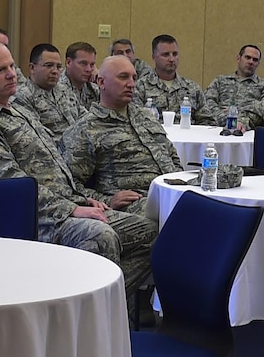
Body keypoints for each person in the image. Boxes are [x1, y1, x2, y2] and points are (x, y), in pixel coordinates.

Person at [0, 40, 149, 290]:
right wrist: (70, 210)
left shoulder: (17, 111)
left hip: (64, 205)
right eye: (0, 70)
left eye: (11, 66)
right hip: (33, 220)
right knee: (99, 235)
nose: (11, 74)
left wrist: (85, 198)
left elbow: (56, 170)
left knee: (151, 231)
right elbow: (11, 188)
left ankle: (97, 305)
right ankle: (81, 311)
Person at [58, 55, 176, 276]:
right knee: (180, 225)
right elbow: (69, 185)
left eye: (133, 77)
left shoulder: (145, 117)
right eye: (123, 77)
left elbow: (172, 158)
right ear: (101, 82)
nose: (131, 84)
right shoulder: (85, 130)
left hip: (171, 193)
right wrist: (106, 200)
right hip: (137, 203)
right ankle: (112, 298)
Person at [15, 42, 73, 139]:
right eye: (49, 65)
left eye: (58, 67)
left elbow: (83, 118)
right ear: (32, 68)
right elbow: (38, 138)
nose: (55, 71)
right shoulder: (22, 96)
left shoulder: (64, 89)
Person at [140, 34, 205, 119]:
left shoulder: (192, 88)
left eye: (175, 54)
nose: (171, 59)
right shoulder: (141, 87)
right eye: (166, 55)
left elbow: (207, 121)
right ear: (154, 57)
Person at [205, 43, 264, 120]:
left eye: (255, 60)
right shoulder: (220, 81)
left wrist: (236, 114)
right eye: (247, 57)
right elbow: (207, 101)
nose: (251, 62)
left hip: (248, 128)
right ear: (238, 58)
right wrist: (222, 117)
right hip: (217, 126)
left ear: (258, 64)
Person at [60, 41, 105, 123]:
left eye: (92, 65)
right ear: (68, 62)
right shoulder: (57, 89)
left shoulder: (93, 88)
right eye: (83, 63)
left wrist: (101, 79)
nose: (88, 69)